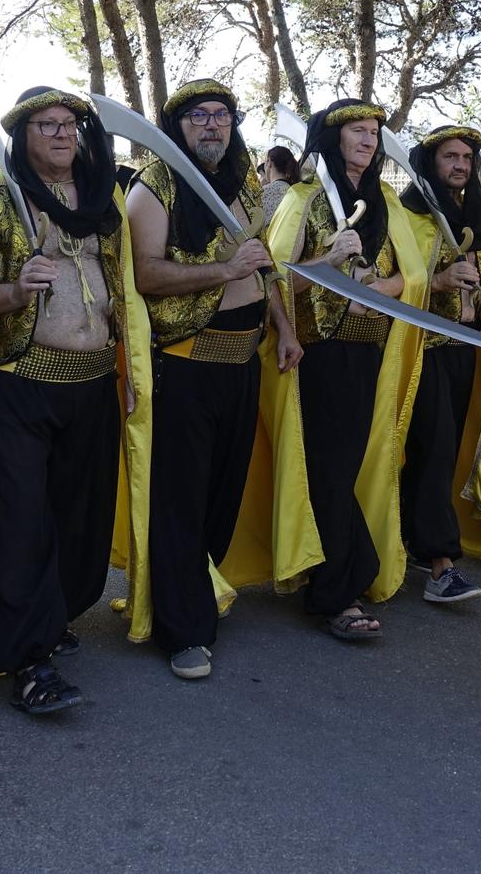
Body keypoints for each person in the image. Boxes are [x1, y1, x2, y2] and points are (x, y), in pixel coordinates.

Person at [0, 85, 151, 716]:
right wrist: (16, 291)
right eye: (45, 125)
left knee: (82, 519)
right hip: (18, 382)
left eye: (70, 124)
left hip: (94, 380)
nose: (61, 134)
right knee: (20, 521)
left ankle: (57, 612)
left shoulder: (106, 201)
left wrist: (129, 372)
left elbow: (124, 296)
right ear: (20, 137)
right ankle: (25, 659)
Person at [125, 79, 305, 680]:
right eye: (199, 116)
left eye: (221, 116)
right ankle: (181, 627)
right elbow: (146, 274)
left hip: (242, 361)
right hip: (184, 361)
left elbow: (267, 267)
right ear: (177, 126)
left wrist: (284, 327)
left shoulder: (244, 183)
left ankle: (197, 591)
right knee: (181, 499)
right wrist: (225, 268)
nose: (212, 125)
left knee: (223, 495)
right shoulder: (155, 184)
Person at [261, 98, 427, 641]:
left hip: (373, 352)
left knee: (353, 466)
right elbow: (277, 282)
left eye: (374, 132)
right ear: (333, 140)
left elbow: (412, 279)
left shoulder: (386, 203)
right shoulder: (304, 200)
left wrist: (383, 288)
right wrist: (328, 262)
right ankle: (336, 590)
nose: (368, 140)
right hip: (319, 353)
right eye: (357, 131)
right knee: (329, 470)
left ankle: (346, 572)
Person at [393, 124, 481, 604]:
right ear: (431, 162)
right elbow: (396, 281)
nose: (460, 165)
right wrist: (437, 280)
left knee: (445, 453)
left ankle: (414, 537)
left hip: (465, 349)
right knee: (433, 449)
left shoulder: (475, 215)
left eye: (467, 159)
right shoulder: (408, 214)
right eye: (450, 157)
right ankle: (441, 564)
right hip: (422, 347)